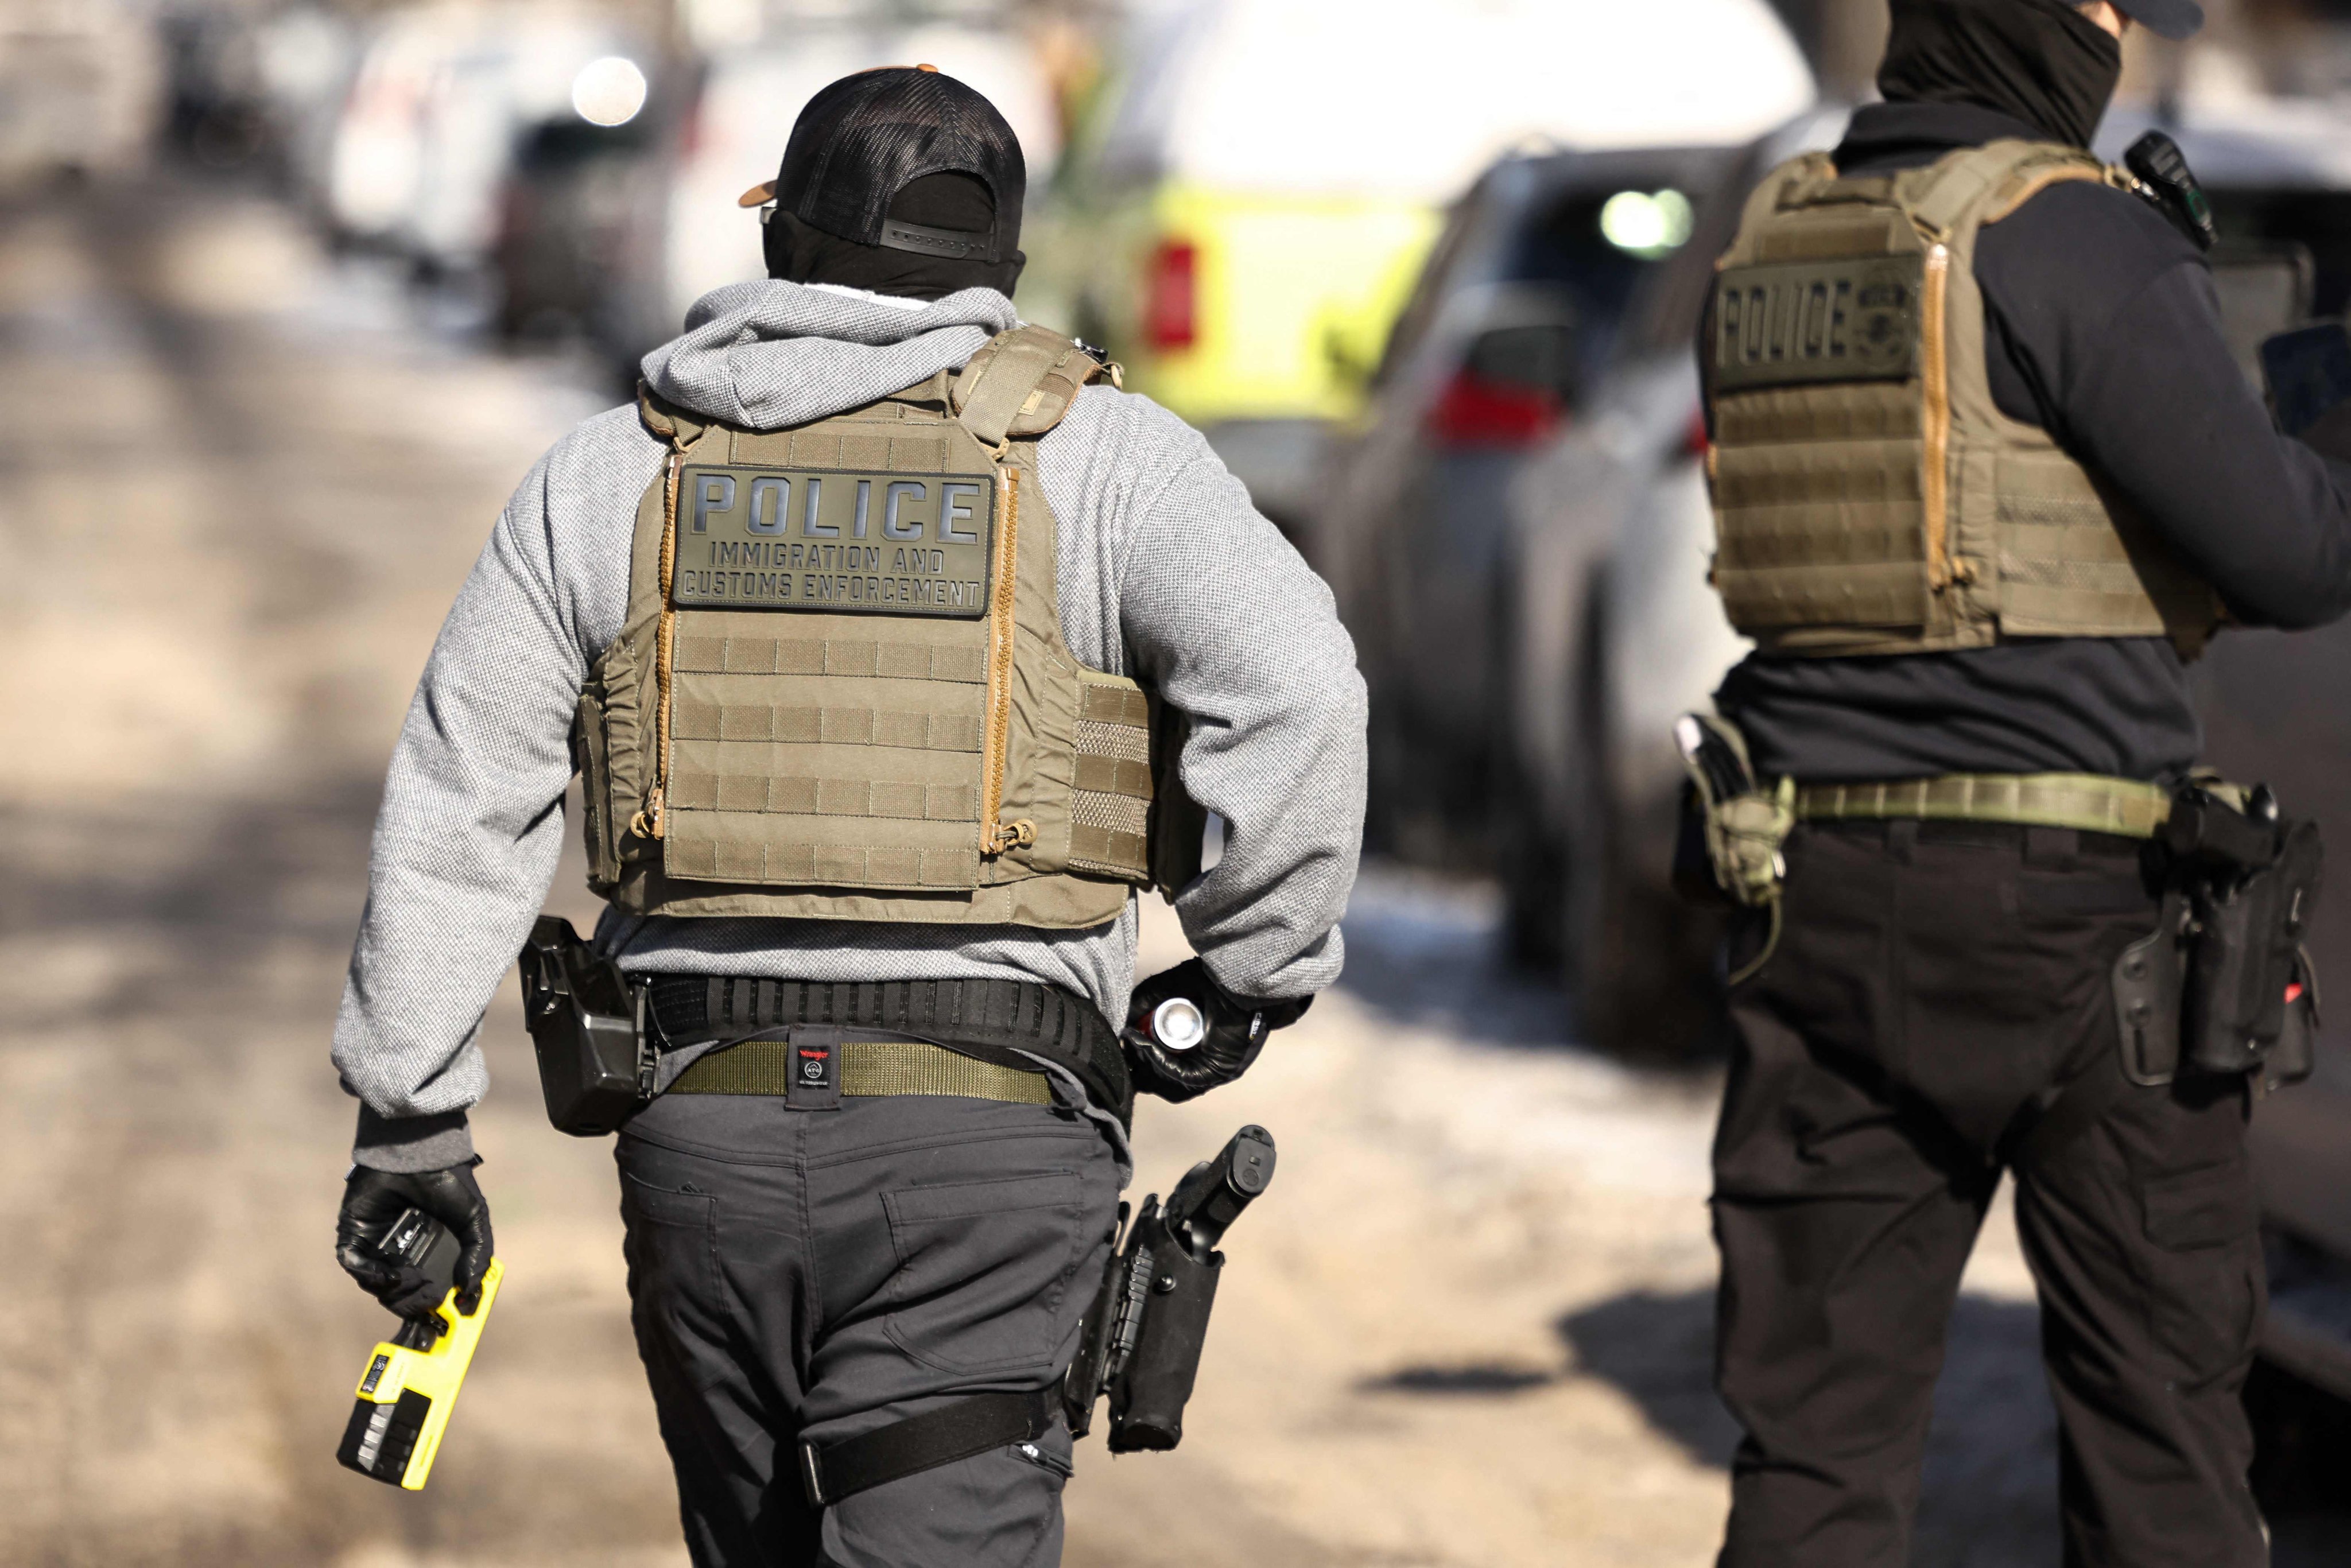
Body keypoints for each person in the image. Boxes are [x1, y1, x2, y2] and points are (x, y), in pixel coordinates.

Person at [328, 67, 1365, 1566]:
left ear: (778, 243)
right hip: (991, 1154)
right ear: (1001, 271)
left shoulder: (621, 467)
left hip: (707, 1149)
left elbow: (463, 787)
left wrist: (411, 1115)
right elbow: (1303, 694)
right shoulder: (1110, 462)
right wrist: (1252, 968)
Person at [1693, 1, 2351, 1563]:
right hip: (2078, 923)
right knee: (2159, 1450)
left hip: (1809, 898)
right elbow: (2291, 554)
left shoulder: (1779, 241)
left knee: (1816, 1455)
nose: (2121, 33)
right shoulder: (2074, 236)